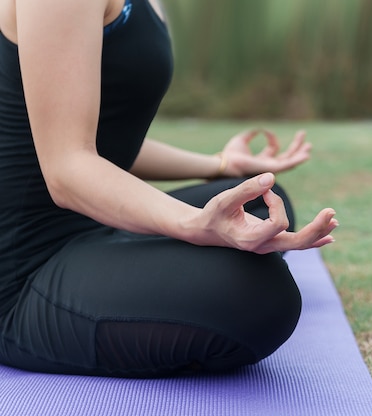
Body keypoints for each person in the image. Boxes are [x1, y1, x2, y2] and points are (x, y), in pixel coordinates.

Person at [0, 0, 338, 377]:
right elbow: (67, 167)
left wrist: (222, 166)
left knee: (264, 205)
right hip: (23, 272)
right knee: (259, 295)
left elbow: (101, 140)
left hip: (96, 223)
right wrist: (194, 223)